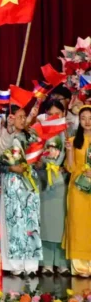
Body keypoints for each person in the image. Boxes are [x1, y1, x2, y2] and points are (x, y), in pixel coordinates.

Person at [0, 104, 42, 276]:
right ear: (11, 118)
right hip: (12, 180)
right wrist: (11, 168)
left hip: (29, 180)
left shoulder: (31, 135)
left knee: (31, 220)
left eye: (24, 116)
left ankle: (30, 263)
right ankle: (14, 264)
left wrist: (38, 162)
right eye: (20, 116)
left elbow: (39, 155)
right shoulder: (5, 136)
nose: (23, 120)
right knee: (13, 220)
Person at [40, 100, 71, 274]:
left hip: (62, 183)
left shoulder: (70, 133)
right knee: (45, 222)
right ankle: (46, 263)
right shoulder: (39, 133)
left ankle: (62, 262)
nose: (54, 117)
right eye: (50, 114)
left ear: (63, 114)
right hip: (44, 182)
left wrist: (65, 166)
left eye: (57, 114)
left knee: (61, 223)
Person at [64, 106, 91, 276]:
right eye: (83, 118)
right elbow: (70, 167)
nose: (87, 122)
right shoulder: (74, 141)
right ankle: (80, 266)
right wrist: (68, 151)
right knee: (78, 225)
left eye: (90, 118)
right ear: (79, 121)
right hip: (78, 188)